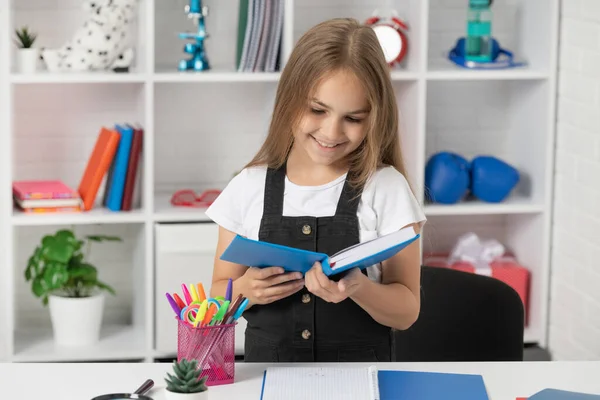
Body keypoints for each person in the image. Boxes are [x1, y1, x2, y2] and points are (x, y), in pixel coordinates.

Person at [206, 17, 426, 363]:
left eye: (353, 118)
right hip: (267, 381)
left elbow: (407, 311)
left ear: (376, 118)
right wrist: (244, 291)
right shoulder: (249, 187)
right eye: (317, 110)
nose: (331, 131)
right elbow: (216, 299)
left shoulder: (386, 189)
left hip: (359, 382)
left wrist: (360, 289)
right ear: (289, 100)